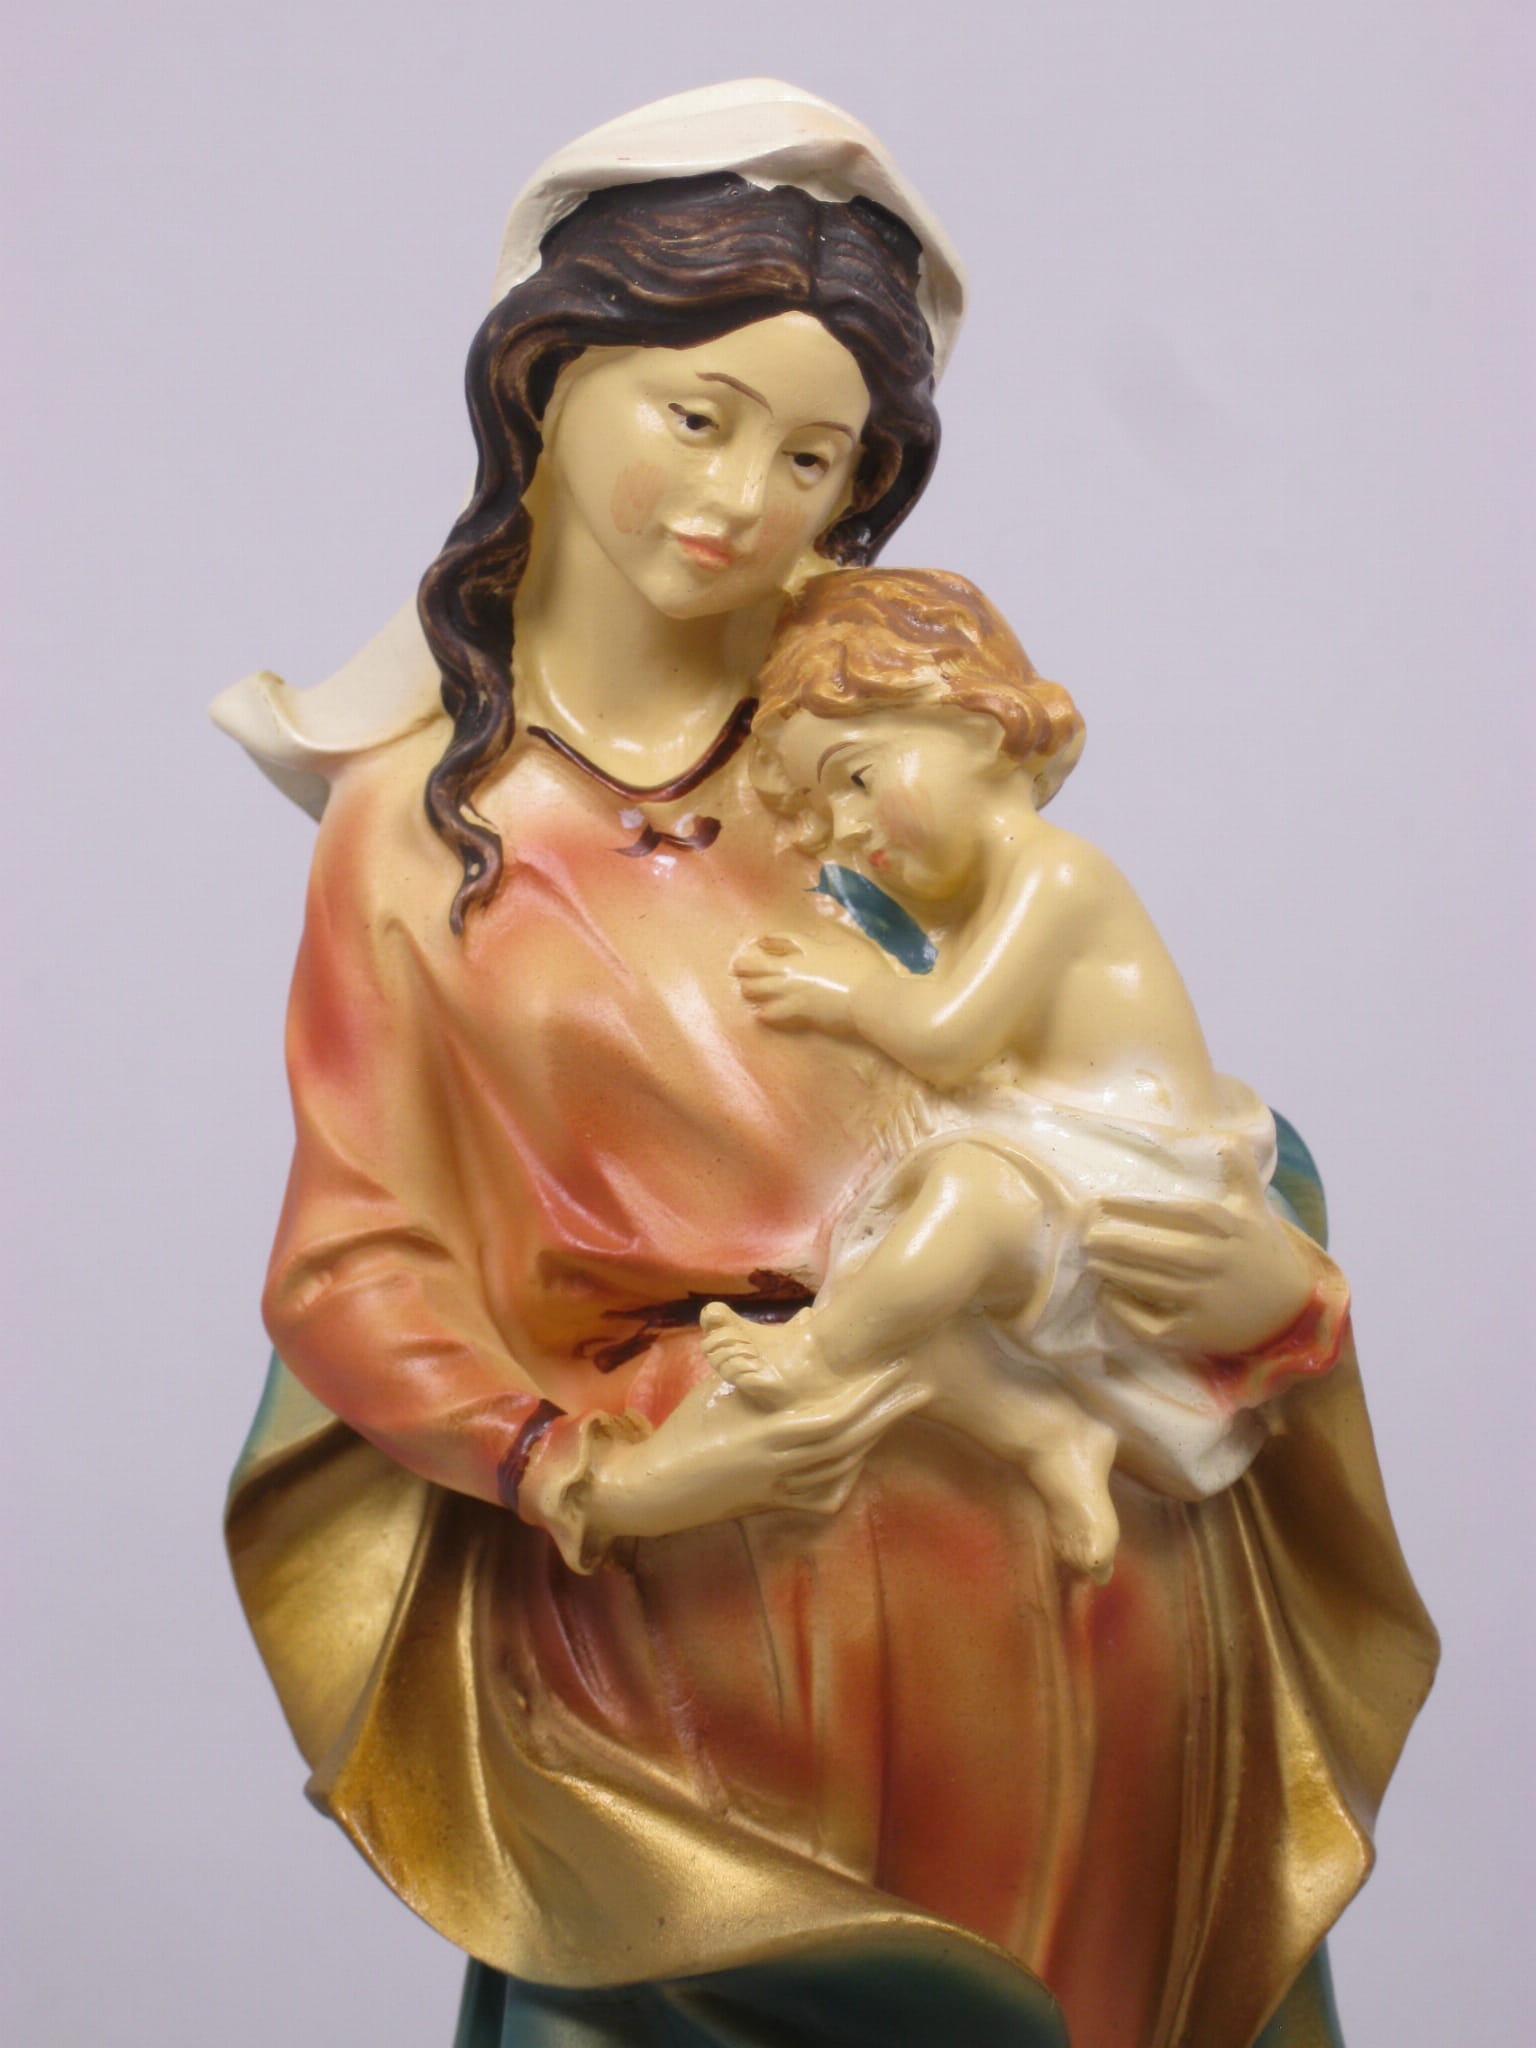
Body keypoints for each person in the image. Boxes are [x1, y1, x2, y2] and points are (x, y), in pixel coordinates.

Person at [215, 83, 1436, 2048]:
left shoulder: (869, 749)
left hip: (1087, 1610)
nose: (738, 500)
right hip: (712, 1628)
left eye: (813, 457)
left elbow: (1121, 1096)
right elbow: (359, 1262)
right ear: (547, 387)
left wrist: (1269, 1284)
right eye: (693, 416)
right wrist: (605, 1475)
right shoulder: (425, 833)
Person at [701, 568, 1327, 1584]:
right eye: (821, 807)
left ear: (985, 728)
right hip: (1066, 1149)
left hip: (1142, 1166)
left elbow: (950, 1037)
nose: (846, 827)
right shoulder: (968, 904)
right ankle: (1050, 1436)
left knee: (964, 1204)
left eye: (856, 778)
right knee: (905, 1285)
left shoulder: (1055, 872)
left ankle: (813, 1354)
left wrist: (849, 992)